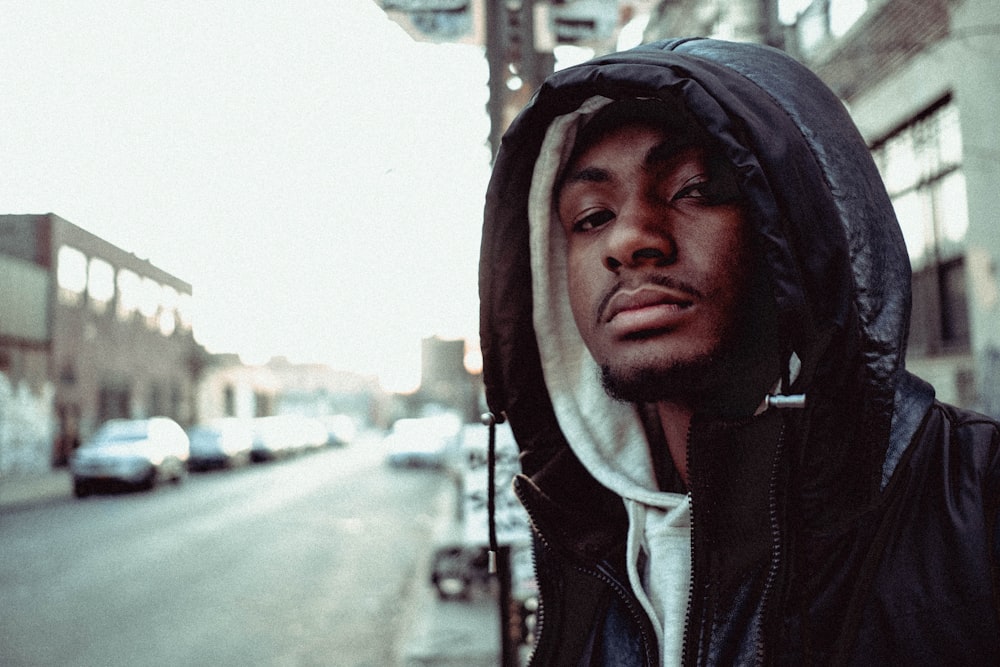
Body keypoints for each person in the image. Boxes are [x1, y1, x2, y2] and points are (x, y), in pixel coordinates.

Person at [478, 37, 1000, 666]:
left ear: (801, 227)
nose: (629, 239)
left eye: (694, 189)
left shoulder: (978, 504)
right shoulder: (586, 547)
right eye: (590, 217)